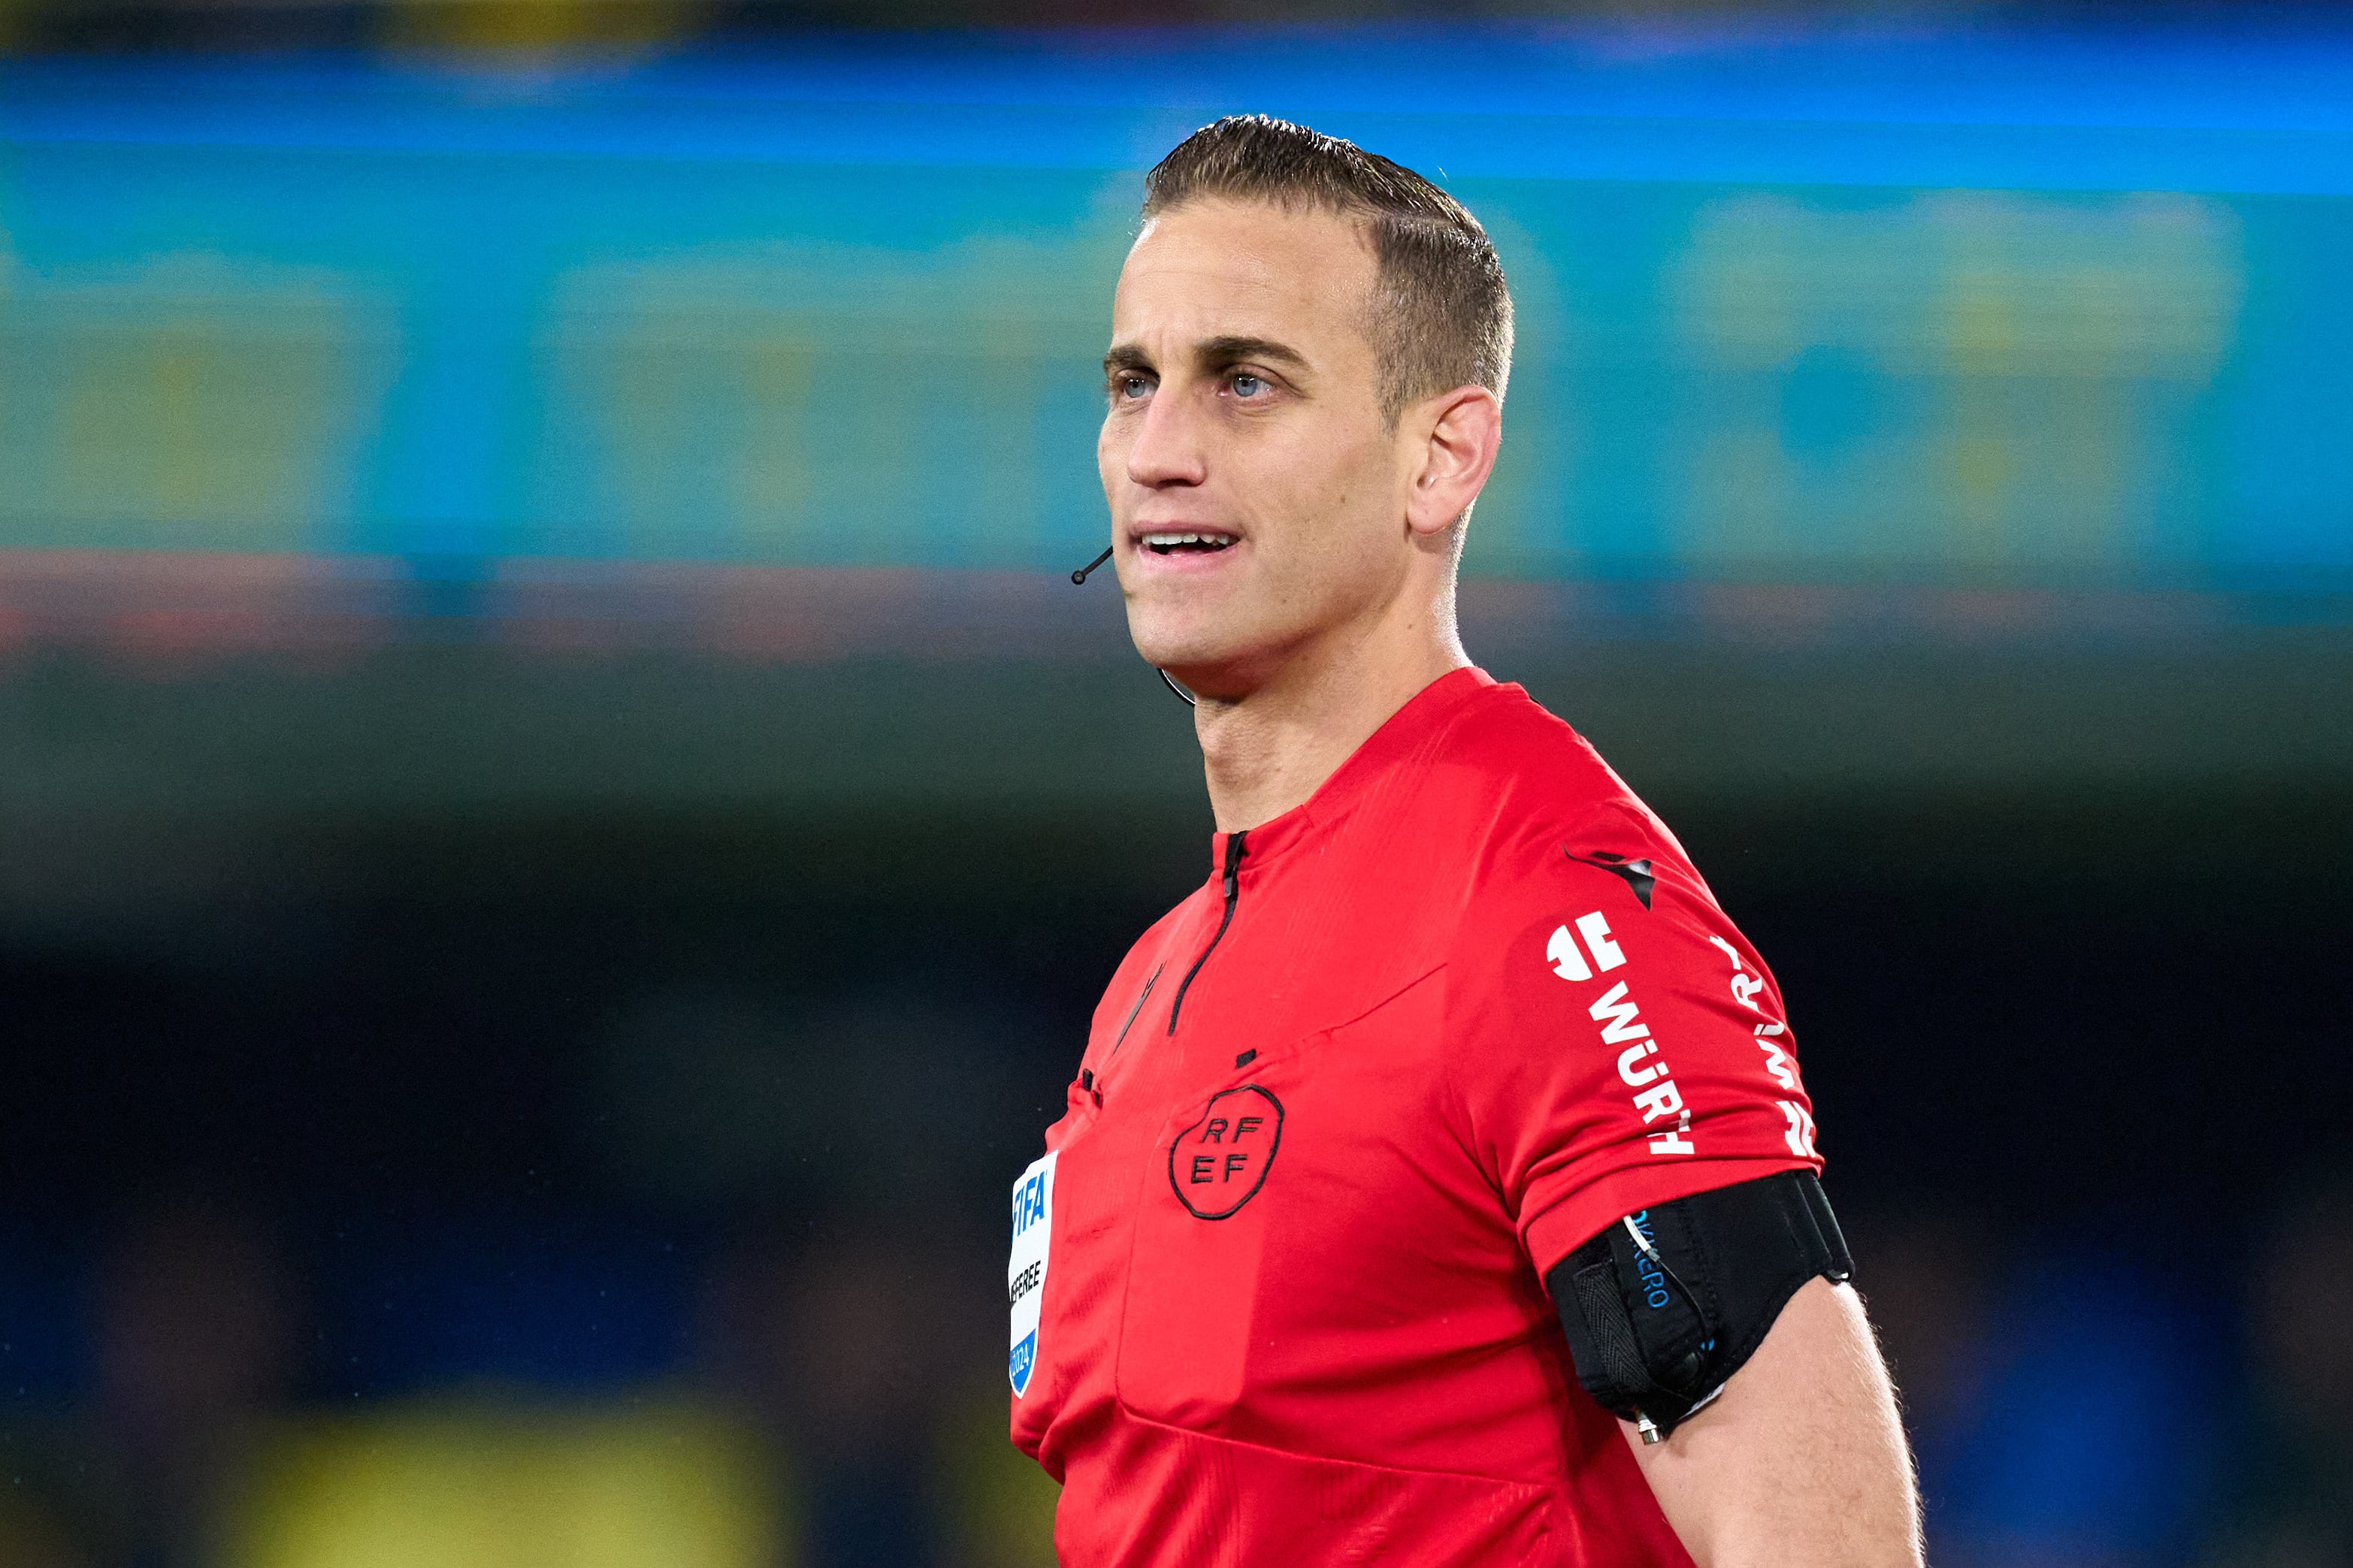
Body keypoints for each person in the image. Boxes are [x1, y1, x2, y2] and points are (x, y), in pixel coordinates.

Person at [1010, 115, 1921, 1567]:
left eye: (1247, 383)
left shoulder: (1547, 902)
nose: (1160, 451)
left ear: (1442, 458)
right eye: (1135, 383)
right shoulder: (1149, 986)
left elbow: (1819, 1531)